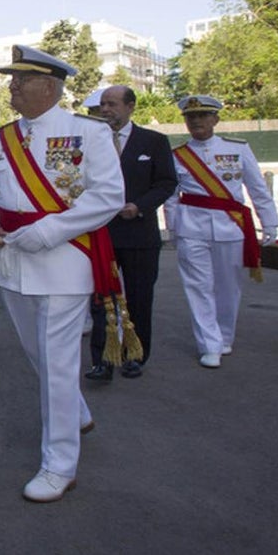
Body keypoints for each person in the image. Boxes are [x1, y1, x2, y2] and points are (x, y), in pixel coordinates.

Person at [0, 45, 123, 503]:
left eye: (21, 79)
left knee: (58, 364)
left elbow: (107, 197)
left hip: (63, 259)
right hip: (13, 259)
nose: (12, 86)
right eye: (11, 79)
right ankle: (75, 410)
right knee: (36, 353)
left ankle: (59, 463)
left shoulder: (87, 132)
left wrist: (50, 231)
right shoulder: (1, 138)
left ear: (50, 86)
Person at [163, 95, 278, 369]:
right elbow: (170, 196)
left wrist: (270, 221)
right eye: (191, 117)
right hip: (192, 228)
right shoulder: (177, 156)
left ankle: (225, 335)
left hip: (230, 227)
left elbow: (257, 188)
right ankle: (209, 343)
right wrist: (173, 228)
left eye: (203, 116)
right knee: (198, 287)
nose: (197, 121)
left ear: (215, 119)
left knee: (228, 287)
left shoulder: (238, 148)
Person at [84, 85, 177, 381]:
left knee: (139, 298)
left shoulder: (154, 141)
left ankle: (135, 354)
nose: (106, 110)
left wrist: (139, 206)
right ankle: (102, 359)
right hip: (101, 235)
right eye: (102, 105)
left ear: (130, 106)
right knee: (101, 299)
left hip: (139, 235)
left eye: (112, 104)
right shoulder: (90, 142)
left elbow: (165, 183)